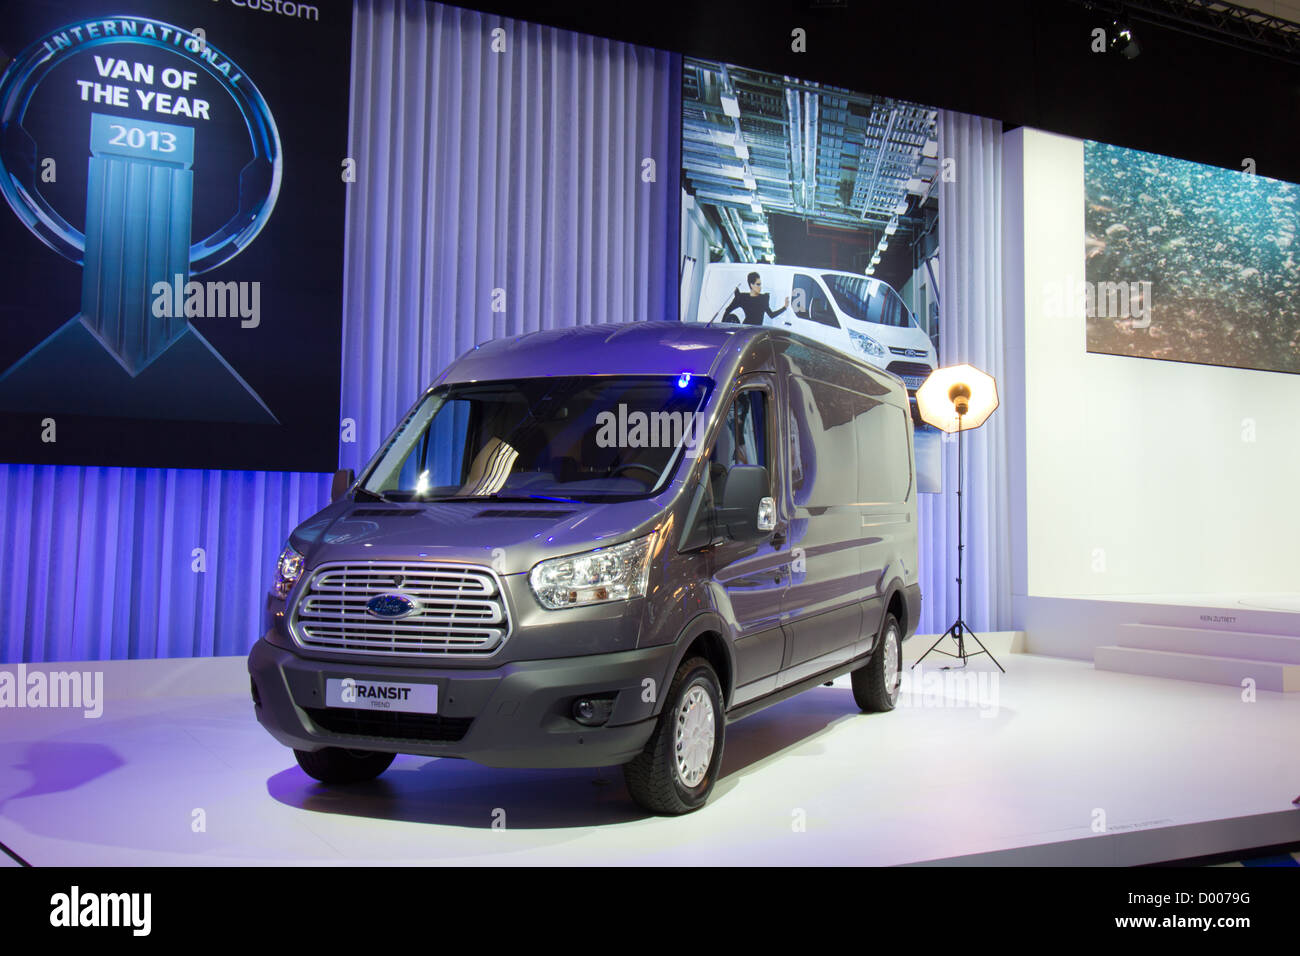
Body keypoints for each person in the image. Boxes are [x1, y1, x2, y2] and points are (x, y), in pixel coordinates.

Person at [719, 272, 790, 326]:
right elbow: (728, 310)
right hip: (746, 329)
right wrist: (722, 327)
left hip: (757, 331)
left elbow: (771, 315)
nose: (760, 287)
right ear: (751, 285)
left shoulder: (763, 298)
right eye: (758, 284)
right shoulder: (742, 297)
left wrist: (784, 307)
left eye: (760, 284)